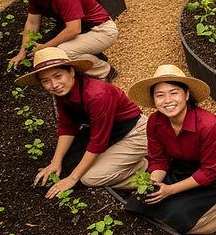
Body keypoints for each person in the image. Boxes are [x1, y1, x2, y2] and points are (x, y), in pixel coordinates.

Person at [124, 65, 216, 235]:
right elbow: (159, 159)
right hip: (184, 166)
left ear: (186, 95)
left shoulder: (210, 125)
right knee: (138, 204)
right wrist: (154, 184)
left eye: (174, 93)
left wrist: (170, 190)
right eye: (160, 95)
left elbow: (208, 172)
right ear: (154, 100)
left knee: (182, 221)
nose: (167, 100)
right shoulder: (155, 121)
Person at [20, 47, 148, 199]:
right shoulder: (62, 91)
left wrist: (72, 179)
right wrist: (55, 162)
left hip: (134, 132)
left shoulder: (97, 95)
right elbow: (68, 125)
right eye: (46, 81)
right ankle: (121, 162)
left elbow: (98, 142)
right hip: (107, 130)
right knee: (67, 164)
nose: (53, 85)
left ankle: (146, 169)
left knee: (90, 178)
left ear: (72, 72)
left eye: (58, 76)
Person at [1, 0, 117, 80]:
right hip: (83, 28)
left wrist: (45, 47)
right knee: (51, 44)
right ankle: (93, 54)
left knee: (62, 52)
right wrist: (22, 52)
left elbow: (74, 30)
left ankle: (105, 71)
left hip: (101, 30)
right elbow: (32, 22)